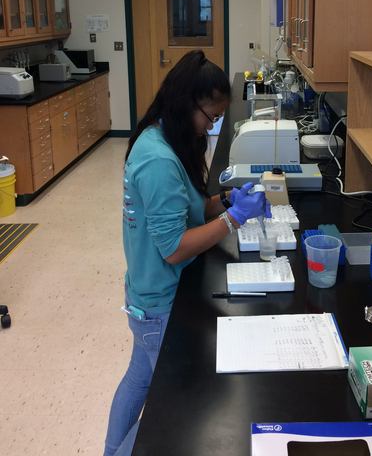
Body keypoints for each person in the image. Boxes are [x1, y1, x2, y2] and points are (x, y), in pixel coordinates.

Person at [103, 50, 270, 456]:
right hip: (160, 304)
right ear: (185, 104)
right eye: (209, 118)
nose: (210, 128)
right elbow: (175, 248)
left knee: (139, 381)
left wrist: (227, 200)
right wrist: (233, 221)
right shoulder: (158, 160)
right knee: (167, 410)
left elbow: (189, 210)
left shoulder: (164, 137)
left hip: (146, 294)